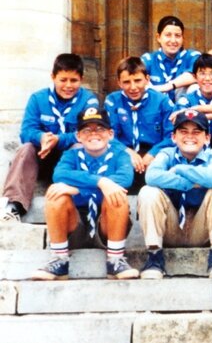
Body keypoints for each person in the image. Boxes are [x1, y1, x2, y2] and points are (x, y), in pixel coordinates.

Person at [30, 107, 139, 280]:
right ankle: (59, 259)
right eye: (86, 130)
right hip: (76, 222)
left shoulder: (120, 155)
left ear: (110, 134)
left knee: (117, 194)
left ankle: (116, 260)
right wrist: (101, 182)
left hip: (107, 222)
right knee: (55, 193)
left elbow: (124, 179)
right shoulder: (71, 154)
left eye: (100, 129)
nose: (93, 134)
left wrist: (78, 188)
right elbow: (60, 175)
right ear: (78, 136)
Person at [1, 53, 100, 222]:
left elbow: (88, 133)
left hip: (69, 162)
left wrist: (59, 140)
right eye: (63, 80)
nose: (68, 85)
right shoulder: (38, 98)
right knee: (26, 148)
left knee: (81, 148)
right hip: (43, 158)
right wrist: (41, 137)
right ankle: (13, 204)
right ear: (53, 77)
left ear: (81, 79)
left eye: (74, 80)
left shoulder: (88, 101)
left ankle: (81, 205)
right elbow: (26, 131)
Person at [137, 109, 212, 279]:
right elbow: (151, 176)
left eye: (197, 132)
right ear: (174, 137)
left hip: (201, 228)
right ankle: (154, 257)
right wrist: (190, 183)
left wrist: (181, 169)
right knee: (148, 192)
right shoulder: (166, 154)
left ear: (207, 138)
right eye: (183, 131)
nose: (190, 136)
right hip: (171, 228)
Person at [104, 57, 175, 187]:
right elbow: (108, 135)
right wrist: (128, 152)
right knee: (120, 174)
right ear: (119, 82)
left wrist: (152, 153)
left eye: (138, 81)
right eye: (126, 82)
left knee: (157, 173)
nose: (133, 87)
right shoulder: (112, 100)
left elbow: (171, 136)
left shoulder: (161, 100)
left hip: (155, 151)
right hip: (124, 150)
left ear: (147, 79)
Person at [141, 15, 201, 100]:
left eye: (177, 36)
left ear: (183, 38)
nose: (173, 40)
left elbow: (196, 74)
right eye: (168, 35)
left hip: (183, 109)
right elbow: (137, 80)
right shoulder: (148, 59)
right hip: (156, 108)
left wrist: (165, 87)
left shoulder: (192, 56)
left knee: (194, 87)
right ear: (158, 37)